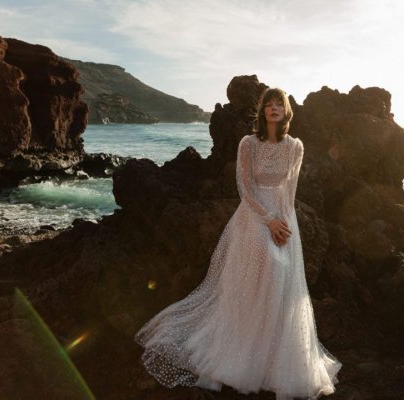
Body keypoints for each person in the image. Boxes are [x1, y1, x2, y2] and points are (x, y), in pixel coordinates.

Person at [134, 87, 342, 400]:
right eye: (269, 104)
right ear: (263, 111)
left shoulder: (295, 146)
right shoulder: (249, 143)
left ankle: (271, 360)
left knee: (280, 282)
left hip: (283, 217)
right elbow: (244, 188)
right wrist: (267, 220)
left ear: (286, 111)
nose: (273, 108)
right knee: (256, 275)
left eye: (279, 104)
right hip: (253, 216)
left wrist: (286, 225)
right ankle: (240, 350)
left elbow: (290, 191)